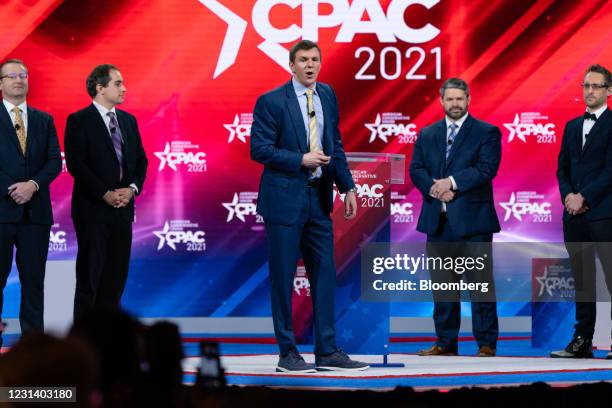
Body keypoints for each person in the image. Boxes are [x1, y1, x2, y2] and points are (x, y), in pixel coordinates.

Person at [250, 40, 368, 372]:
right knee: (283, 278)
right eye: (303, 60)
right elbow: (259, 149)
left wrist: (348, 187)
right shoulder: (271, 101)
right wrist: (300, 159)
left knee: (325, 275)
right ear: (292, 65)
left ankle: (327, 351)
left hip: (319, 201)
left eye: (315, 59)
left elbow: (336, 143)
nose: (310, 65)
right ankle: (287, 354)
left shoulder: (327, 95)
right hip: (284, 201)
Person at [409, 77, 501, 357]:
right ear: (442, 102)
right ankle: (445, 342)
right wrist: (435, 189)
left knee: (480, 286)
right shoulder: (427, 133)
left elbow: (486, 169)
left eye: (460, 99)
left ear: (468, 100)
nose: (455, 104)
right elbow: (416, 169)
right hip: (438, 223)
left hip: (474, 224)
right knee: (443, 288)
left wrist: (450, 182)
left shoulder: (486, 132)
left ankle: (486, 343)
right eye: (450, 99)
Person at [64, 64, 148, 320]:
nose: (124, 89)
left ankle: (109, 341)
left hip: (123, 211)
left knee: (115, 277)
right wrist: (105, 193)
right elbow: (77, 164)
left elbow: (141, 161)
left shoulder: (128, 121)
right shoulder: (79, 120)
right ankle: (83, 343)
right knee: (90, 276)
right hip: (93, 210)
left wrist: (131, 189)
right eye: (118, 83)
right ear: (100, 88)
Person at [552, 64, 612, 360]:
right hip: (574, 216)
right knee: (583, 280)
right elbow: (562, 168)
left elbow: (611, 171)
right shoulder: (572, 126)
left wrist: (584, 196)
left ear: (608, 91)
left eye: (596, 86)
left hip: (604, 213)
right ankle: (581, 341)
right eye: (586, 86)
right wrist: (568, 196)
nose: (590, 91)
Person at [0, 59, 61, 346]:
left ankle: (34, 347)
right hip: (1, 212)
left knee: (34, 283)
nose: (18, 80)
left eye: (23, 75)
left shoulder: (43, 120)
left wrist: (32, 186)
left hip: (36, 216)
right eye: (11, 76)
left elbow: (53, 162)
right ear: (1, 84)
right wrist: (14, 190)